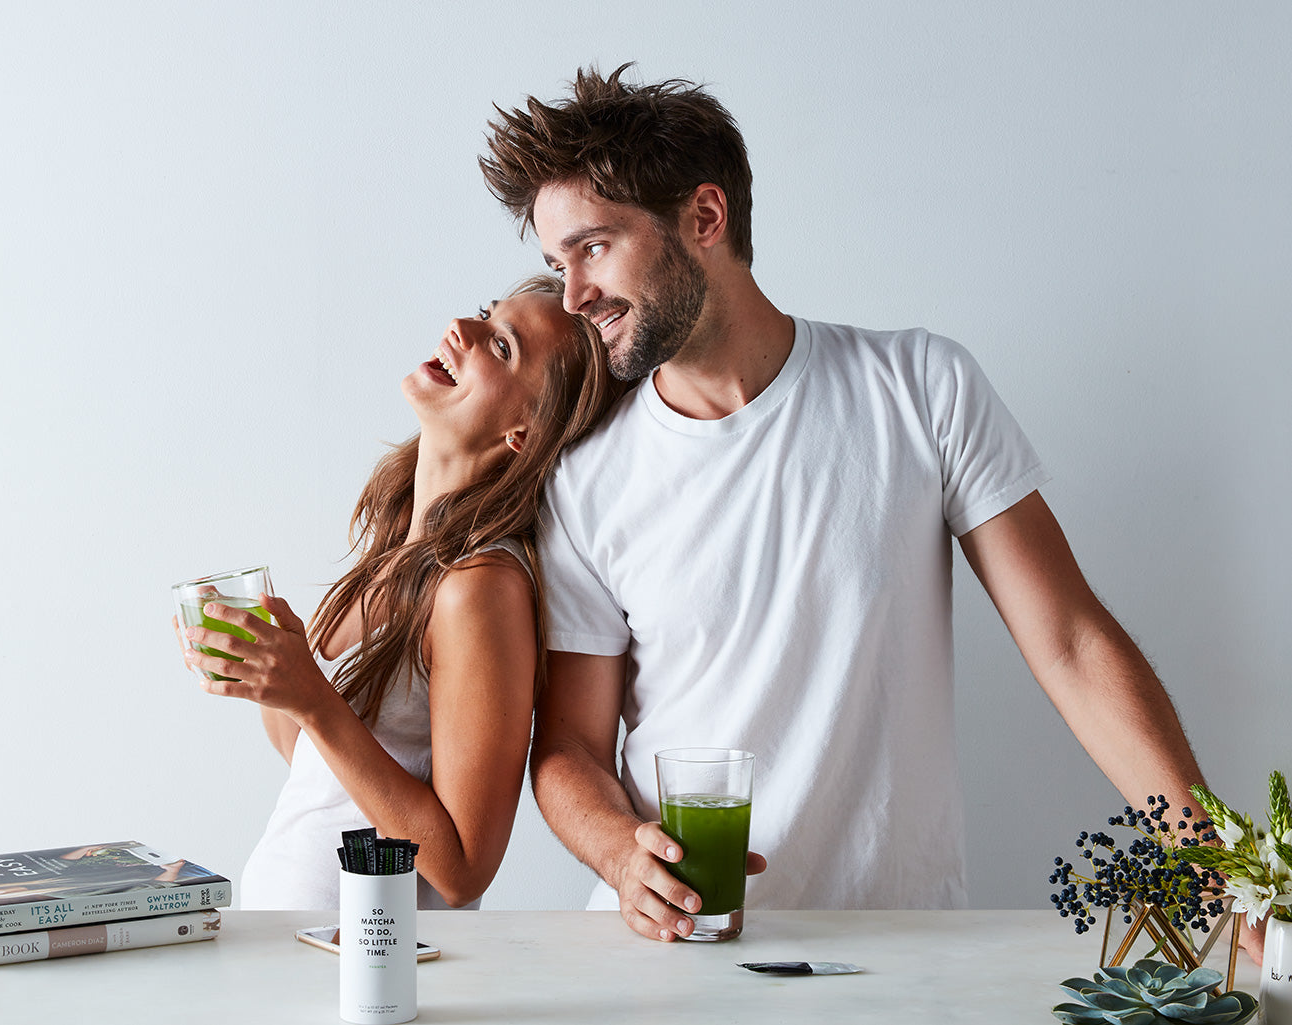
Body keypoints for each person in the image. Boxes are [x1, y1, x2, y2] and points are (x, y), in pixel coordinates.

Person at [479, 64, 1242, 953]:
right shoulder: (585, 476)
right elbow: (569, 744)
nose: (572, 295)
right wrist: (619, 853)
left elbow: (1069, 641)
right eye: (556, 263)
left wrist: (1216, 863)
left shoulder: (919, 385)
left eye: (593, 248)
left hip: (897, 953)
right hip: (683, 948)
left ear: (705, 217)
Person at [177, 274, 622, 911]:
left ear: (524, 432)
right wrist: (274, 671)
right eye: (484, 313)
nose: (461, 329)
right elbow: (316, 767)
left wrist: (313, 698)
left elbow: (463, 868)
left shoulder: (479, 588)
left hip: (375, 958)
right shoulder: (396, 547)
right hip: (295, 945)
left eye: (501, 347)